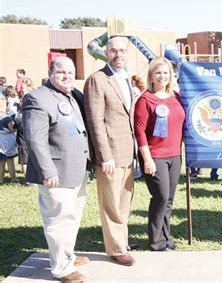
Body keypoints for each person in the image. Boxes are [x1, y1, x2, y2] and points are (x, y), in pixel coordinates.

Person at [22, 57, 89, 282]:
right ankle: (62, 268)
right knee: (59, 219)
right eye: (61, 72)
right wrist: (47, 170)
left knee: (72, 216)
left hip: (77, 169)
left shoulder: (73, 95)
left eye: (70, 72)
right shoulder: (37, 98)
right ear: (50, 72)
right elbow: (35, 139)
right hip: (56, 173)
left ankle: (66, 255)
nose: (67, 75)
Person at [84, 36, 136, 266]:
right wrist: (105, 156)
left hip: (128, 152)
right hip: (110, 155)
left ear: (127, 52)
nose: (118, 55)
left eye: (122, 51)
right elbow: (95, 121)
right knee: (111, 203)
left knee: (124, 201)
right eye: (113, 50)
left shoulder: (125, 77)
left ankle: (121, 240)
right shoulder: (97, 79)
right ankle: (115, 249)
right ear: (106, 51)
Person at [134, 57, 185, 251]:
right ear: (151, 76)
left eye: (166, 73)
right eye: (158, 73)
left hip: (175, 155)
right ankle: (156, 240)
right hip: (154, 156)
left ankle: (167, 237)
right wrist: (147, 159)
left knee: (169, 199)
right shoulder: (145, 100)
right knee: (161, 197)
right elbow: (139, 132)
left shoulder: (176, 98)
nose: (162, 76)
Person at [0, 98, 17, 183]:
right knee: (10, 161)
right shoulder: (7, 117)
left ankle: (1, 179)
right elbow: (12, 129)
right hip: (6, 141)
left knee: (1, 162)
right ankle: (13, 179)